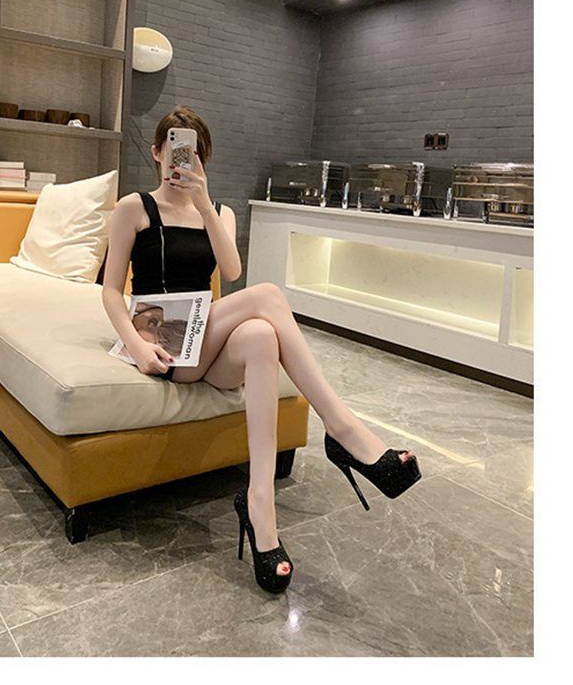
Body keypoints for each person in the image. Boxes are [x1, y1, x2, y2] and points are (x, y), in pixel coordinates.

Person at [102, 106, 420, 594]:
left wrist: (204, 205)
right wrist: (138, 349)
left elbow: (230, 272)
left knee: (262, 335)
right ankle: (343, 429)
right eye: (173, 148)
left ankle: (260, 505)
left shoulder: (219, 212)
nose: (181, 159)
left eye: (193, 153)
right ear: (157, 152)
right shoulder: (134, 208)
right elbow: (110, 291)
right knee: (268, 294)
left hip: (205, 339)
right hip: (164, 345)